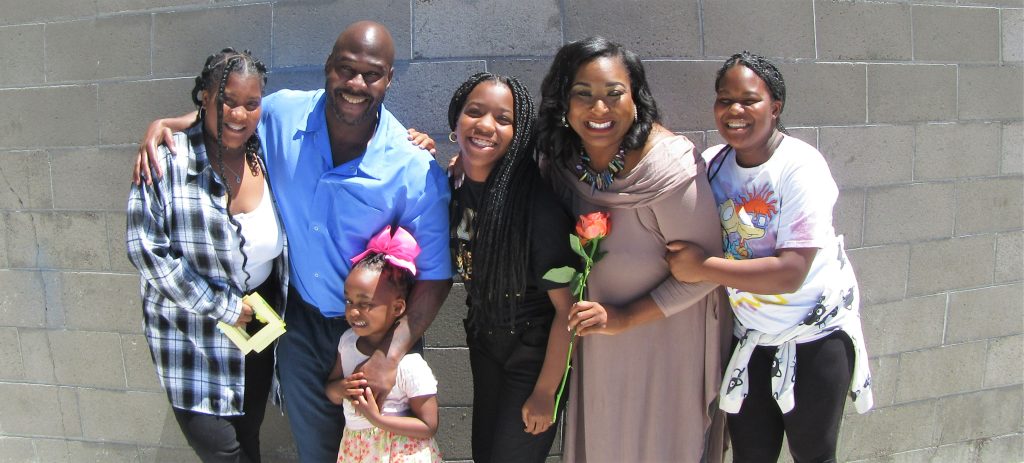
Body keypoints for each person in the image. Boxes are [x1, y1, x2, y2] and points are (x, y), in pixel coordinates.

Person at [132, 21, 452, 462]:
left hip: (377, 339)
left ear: (390, 79)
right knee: (314, 451)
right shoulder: (283, 114)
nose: (356, 84)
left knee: (384, 452)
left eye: (372, 74)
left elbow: (436, 276)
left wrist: (390, 355)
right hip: (299, 328)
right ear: (328, 66)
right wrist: (170, 122)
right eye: (346, 69)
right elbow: (234, 116)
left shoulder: (415, 168)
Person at [664, 52, 873, 462]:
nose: (734, 111)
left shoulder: (800, 167)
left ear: (774, 107)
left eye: (749, 100)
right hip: (752, 338)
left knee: (813, 455)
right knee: (750, 455)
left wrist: (701, 268)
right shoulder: (713, 164)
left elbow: (790, 272)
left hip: (815, 337)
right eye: (725, 100)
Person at [541, 37, 732, 463]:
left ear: (636, 98)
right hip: (599, 345)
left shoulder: (668, 169)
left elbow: (705, 274)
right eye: (583, 94)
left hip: (666, 342)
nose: (599, 109)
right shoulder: (564, 160)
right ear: (563, 101)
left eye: (614, 94)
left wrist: (625, 317)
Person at [125, 48, 287, 462]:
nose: (239, 114)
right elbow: (147, 251)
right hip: (192, 337)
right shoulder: (167, 161)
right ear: (205, 97)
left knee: (249, 434)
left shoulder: (264, 154)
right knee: (223, 450)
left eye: (251, 103)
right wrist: (224, 307)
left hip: (257, 323)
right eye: (227, 100)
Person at [446, 72, 577, 462]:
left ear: (519, 134)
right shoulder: (455, 185)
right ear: (456, 118)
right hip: (485, 344)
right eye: (474, 112)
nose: (486, 125)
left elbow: (567, 311)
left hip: (532, 357)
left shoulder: (536, 207)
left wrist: (546, 392)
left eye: (504, 119)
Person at [326, 226, 442, 463]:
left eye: (365, 304)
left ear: (398, 307)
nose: (353, 311)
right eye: (348, 301)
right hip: (357, 451)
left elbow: (428, 425)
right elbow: (331, 390)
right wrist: (342, 389)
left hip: (400, 454)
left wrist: (377, 420)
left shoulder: (410, 365)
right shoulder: (347, 343)